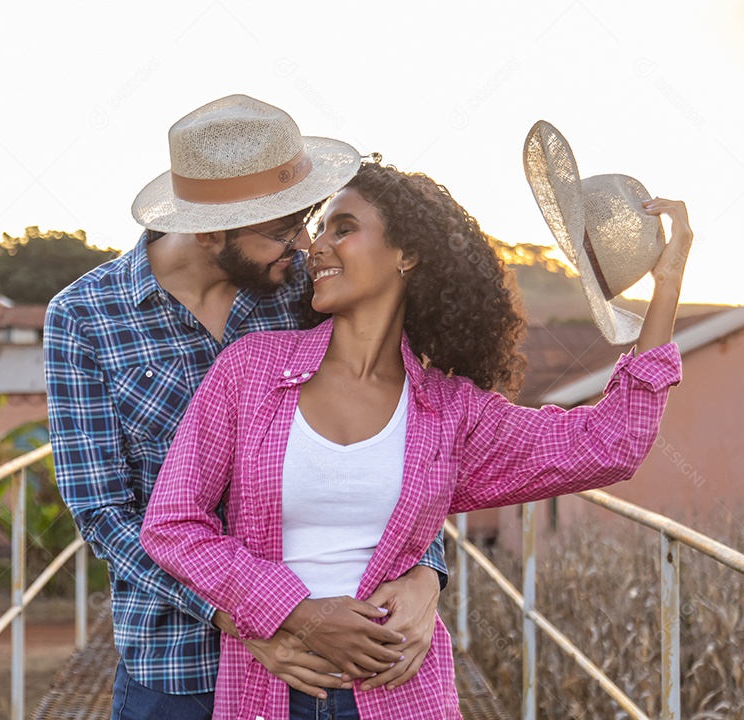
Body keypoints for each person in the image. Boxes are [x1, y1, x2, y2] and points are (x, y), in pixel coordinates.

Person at [140, 156, 691, 719]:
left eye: (344, 228)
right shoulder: (250, 371)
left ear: (408, 253)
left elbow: (612, 443)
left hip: (400, 694)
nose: (316, 246)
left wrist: (666, 287)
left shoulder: (450, 412)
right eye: (322, 228)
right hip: (270, 690)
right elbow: (173, 522)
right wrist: (297, 612)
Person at [44, 96, 448, 720]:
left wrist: (427, 574)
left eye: (308, 220)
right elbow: (104, 512)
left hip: (332, 660)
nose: (307, 245)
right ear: (208, 230)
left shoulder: (303, 295)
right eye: (284, 231)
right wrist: (258, 619)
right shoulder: (85, 318)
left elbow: (403, 438)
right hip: (180, 661)